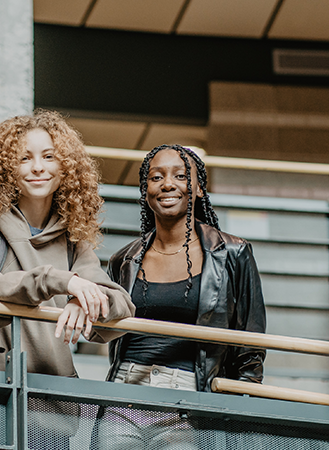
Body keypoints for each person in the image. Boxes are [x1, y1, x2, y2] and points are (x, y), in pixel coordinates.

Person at [0, 110, 135, 449]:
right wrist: (62, 281)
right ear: (6, 167)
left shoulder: (74, 236)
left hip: (51, 410)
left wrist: (84, 300)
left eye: (49, 156)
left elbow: (119, 306)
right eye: (24, 158)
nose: (38, 167)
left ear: (66, 166)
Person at [92, 144, 266, 450]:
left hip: (188, 404)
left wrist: (240, 415)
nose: (167, 184)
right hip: (125, 395)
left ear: (198, 188)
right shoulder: (124, 259)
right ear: (146, 190)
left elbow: (250, 350)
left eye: (181, 175)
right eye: (156, 177)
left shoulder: (233, 254)